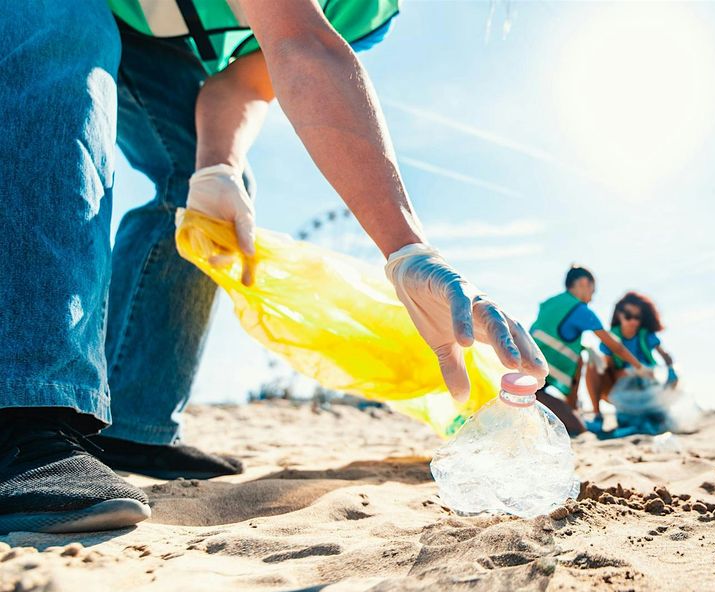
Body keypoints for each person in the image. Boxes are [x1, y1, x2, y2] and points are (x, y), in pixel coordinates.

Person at [0, 0, 545, 534]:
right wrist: (404, 245)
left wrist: (218, 166)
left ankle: (135, 425)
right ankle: (22, 413)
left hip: (147, 40)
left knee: (210, 198)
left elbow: (239, 84)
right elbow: (301, 43)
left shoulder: (365, 10)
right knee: (61, 37)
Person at [530, 266, 648, 435]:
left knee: (581, 357)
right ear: (584, 283)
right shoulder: (579, 309)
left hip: (529, 372)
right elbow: (615, 345)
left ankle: (573, 411)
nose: (591, 299)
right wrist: (639, 367)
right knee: (578, 429)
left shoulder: (551, 303)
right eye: (593, 291)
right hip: (534, 390)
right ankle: (575, 419)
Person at [586, 292, 678, 411]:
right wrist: (630, 372)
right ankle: (597, 415)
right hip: (619, 389)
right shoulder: (610, 338)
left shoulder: (646, 336)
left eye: (637, 317)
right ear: (619, 315)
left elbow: (665, 356)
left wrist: (671, 371)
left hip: (646, 387)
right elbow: (609, 369)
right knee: (593, 364)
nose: (633, 321)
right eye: (628, 316)